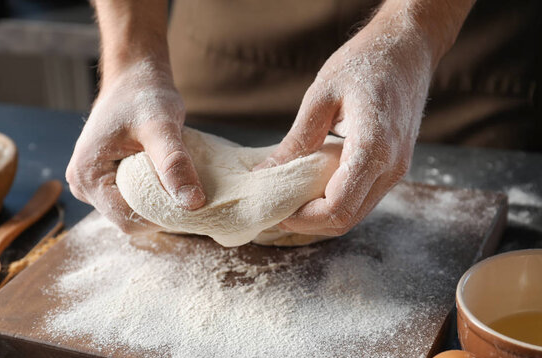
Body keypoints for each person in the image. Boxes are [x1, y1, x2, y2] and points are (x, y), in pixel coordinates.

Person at [66, 0, 537, 237]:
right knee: (167, 163)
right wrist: (131, 58)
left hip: (456, 69)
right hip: (230, 45)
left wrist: (414, 28)